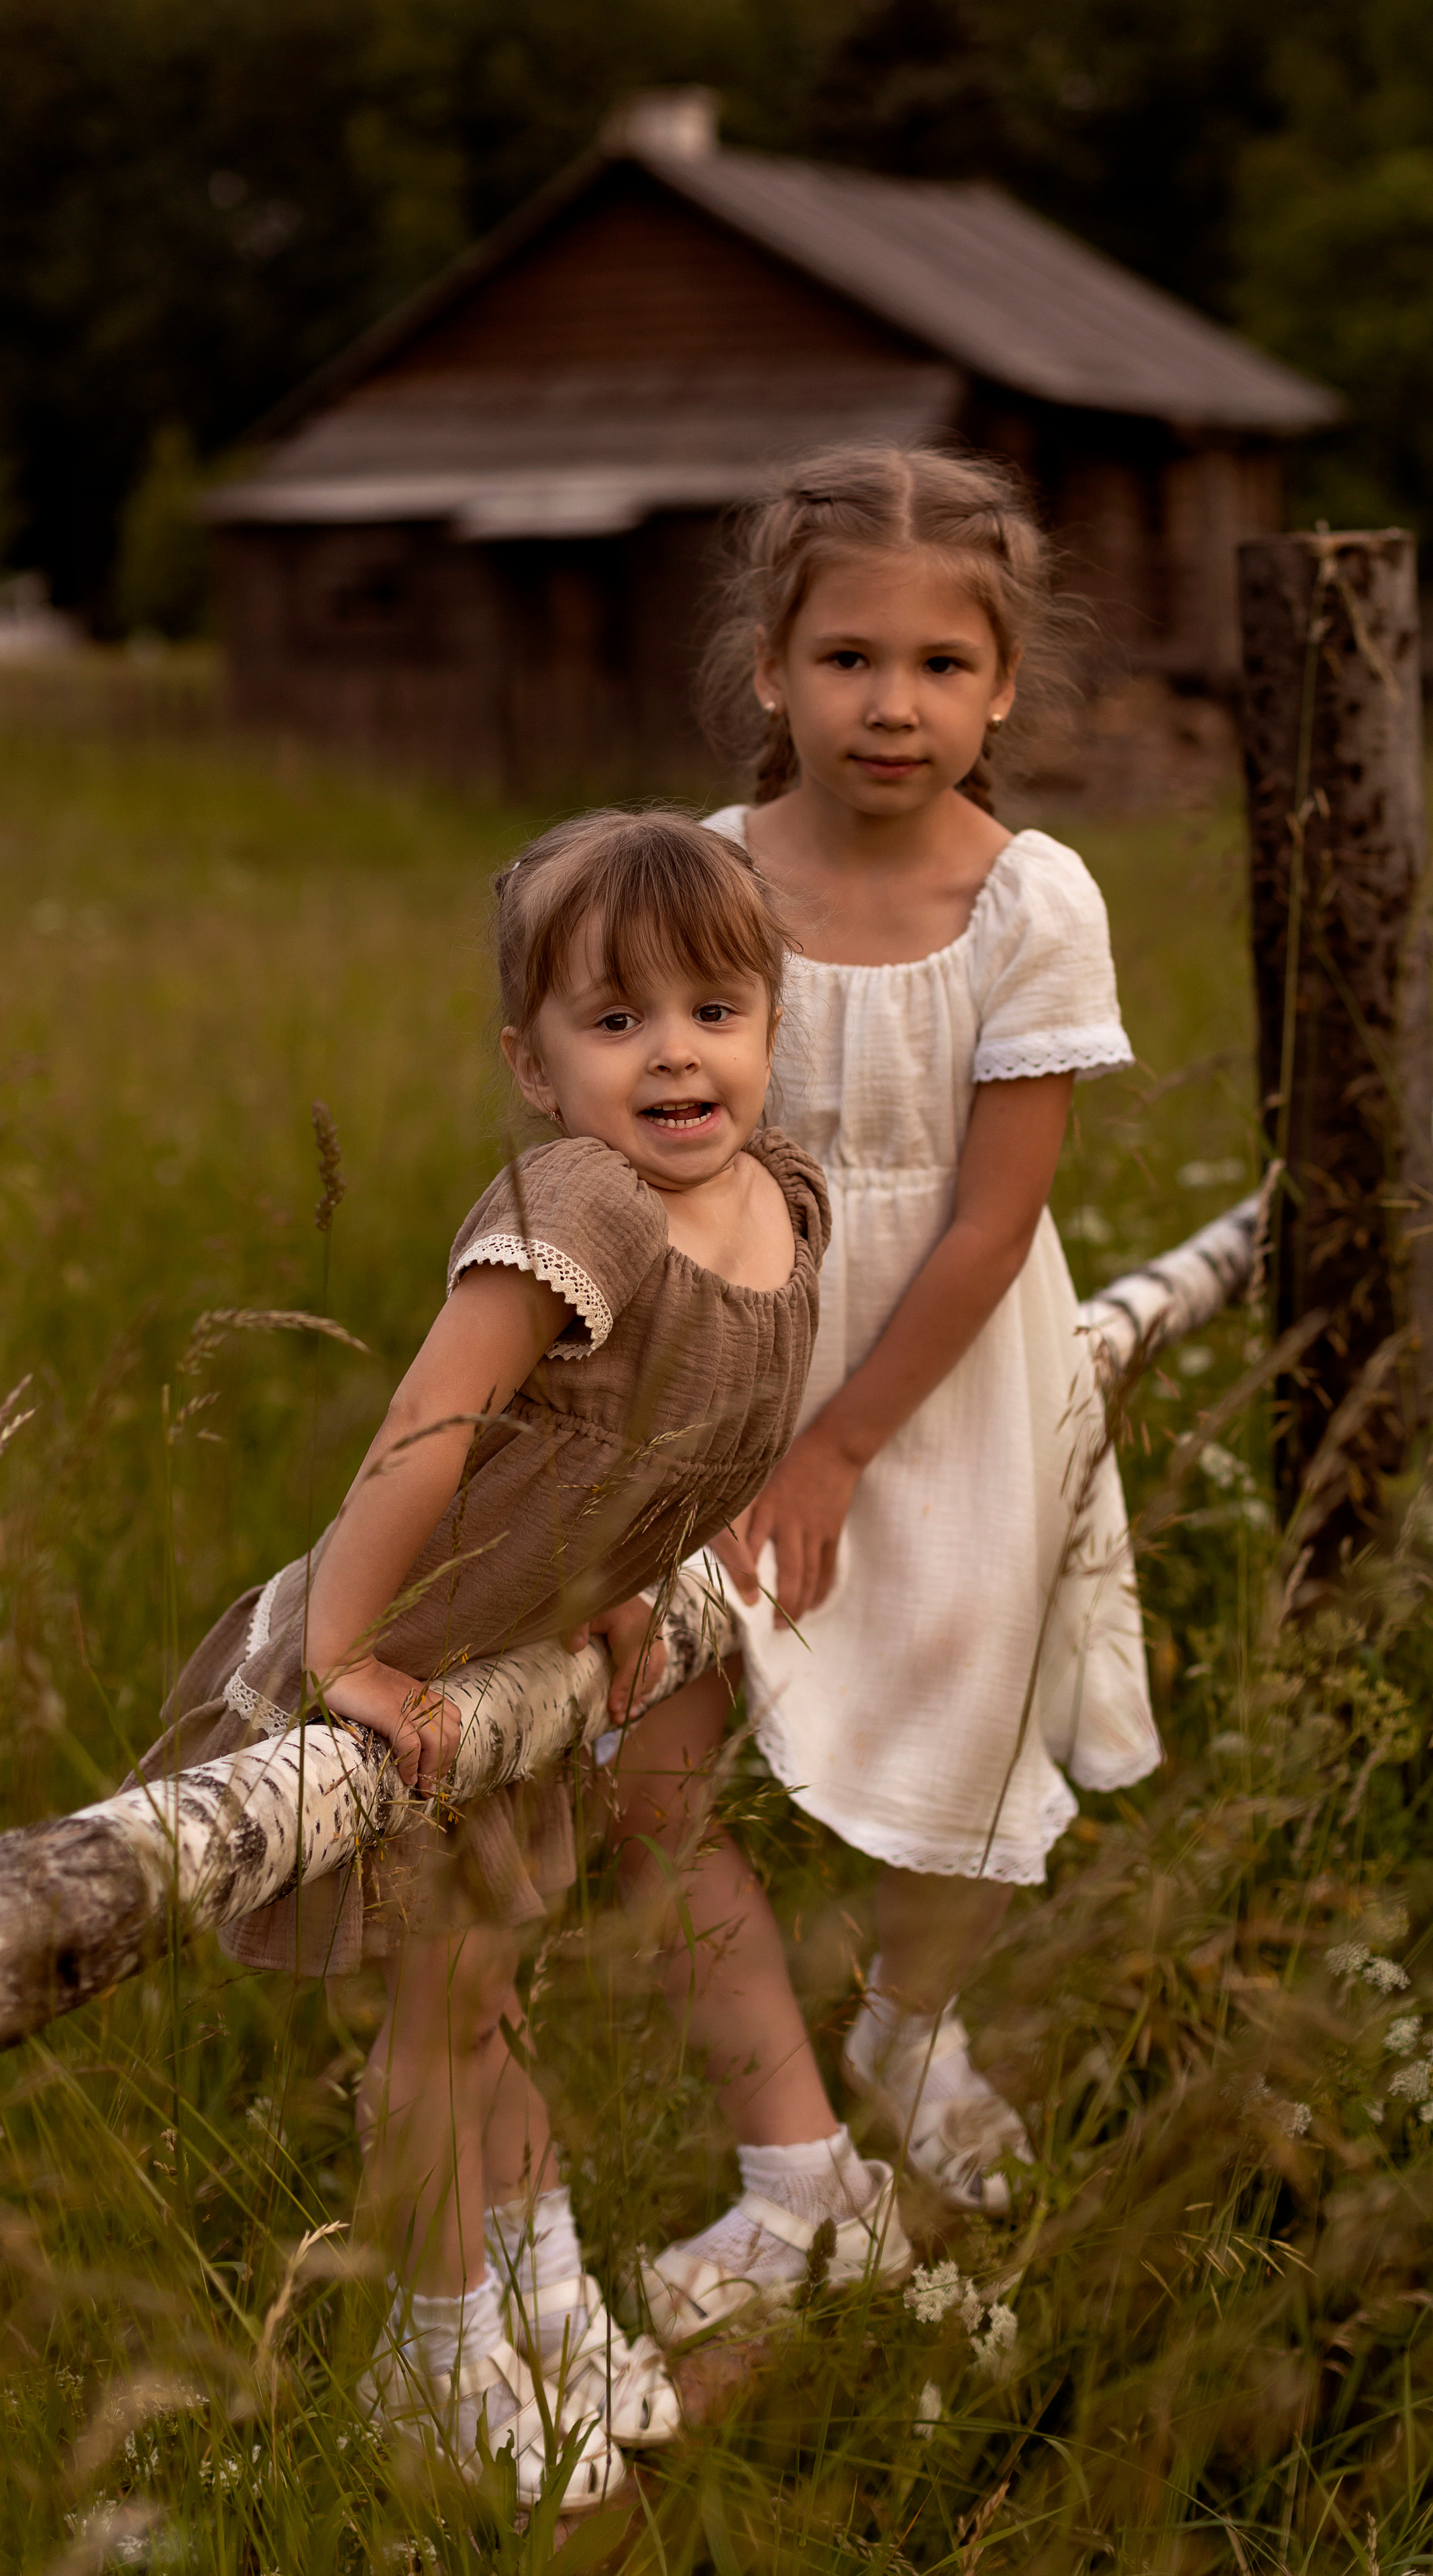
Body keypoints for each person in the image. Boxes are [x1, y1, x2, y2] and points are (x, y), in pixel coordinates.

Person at [138, 811, 889, 2506]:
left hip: (509, 1684)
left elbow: (661, 1438)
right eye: (612, 1021)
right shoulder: (585, 1207)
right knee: (433, 2020)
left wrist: (627, 1583)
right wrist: (346, 1651)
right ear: (535, 1068)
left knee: (484, 1997)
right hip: (400, 1672)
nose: (673, 1055)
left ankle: (533, 2309)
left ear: (773, 1023)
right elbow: (440, 1416)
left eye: (712, 1009)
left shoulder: (780, 1203)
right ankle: (434, 2347)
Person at [607, 445, 1161, 2343]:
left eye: (941, 664)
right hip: (717, 1387)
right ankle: (798, 2176)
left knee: (961, 1786)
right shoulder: (697, 873)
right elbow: (644, 1151)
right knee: (641, 1780)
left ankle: (910, 2028)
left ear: (1003, 688)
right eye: (848, 655)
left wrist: (844, 1448)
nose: (893, 702)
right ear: (771, 669)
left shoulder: (1032, 902)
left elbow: (998, 1225)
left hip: (947, 1386)